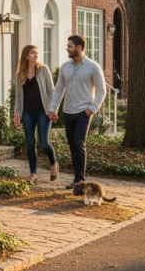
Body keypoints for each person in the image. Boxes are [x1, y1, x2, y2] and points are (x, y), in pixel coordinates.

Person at [48, 34, 106, 189]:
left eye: (70, 46)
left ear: (79, 48)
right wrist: (53, 109)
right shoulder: (65, 67)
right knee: (72, 146)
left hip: (83, 112)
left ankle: (80, 180)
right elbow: (59, 90)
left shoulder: (93, 67)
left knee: (79, 142)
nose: (67, 49)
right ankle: (76, 179)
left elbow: (102, 90)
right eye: (68, 46)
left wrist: (91, 109)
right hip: (68, 112)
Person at [13, 44, 59, 183]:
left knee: (43, 143)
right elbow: (18, 96)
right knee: (30, 143)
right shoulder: (20, 73)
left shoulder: (43, 70)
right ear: (26, 55)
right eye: (33, 53)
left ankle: (54, 163)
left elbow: (52, 91)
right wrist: (17, 112)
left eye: (37, 53)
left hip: (42, 112)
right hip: (27, 112)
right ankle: (33, 174)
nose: (35, 55)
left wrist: (52, 110)